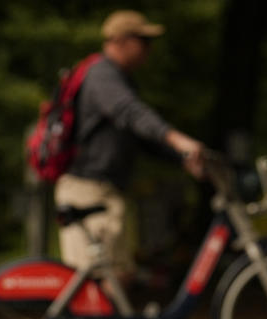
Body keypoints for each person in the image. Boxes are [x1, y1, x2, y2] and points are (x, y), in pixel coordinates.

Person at [56, 9, 206, 283]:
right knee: (92, 282)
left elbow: (138, 138)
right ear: (122, 40)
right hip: (88, 192)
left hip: (108, 192)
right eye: (144, 40)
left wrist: (180, 158)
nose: (149, 48)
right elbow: (132, 113)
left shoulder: (120, 78)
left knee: (118, 276)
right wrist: (177, 139)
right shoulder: (102, 75)